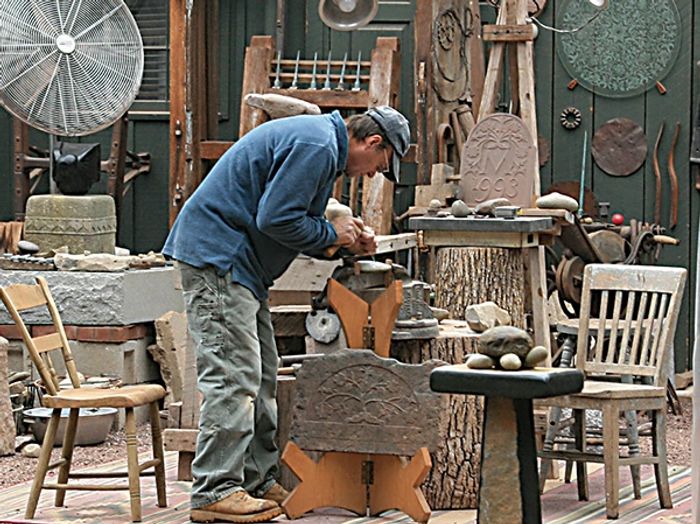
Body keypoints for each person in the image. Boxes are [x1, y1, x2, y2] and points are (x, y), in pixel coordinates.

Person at [162, 106, 411, 523]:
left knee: (261, 377)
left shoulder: (320, 147)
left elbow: (289, 220)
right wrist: (333, 233)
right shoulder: (315, 145)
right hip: (219, 259)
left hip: (242, 268)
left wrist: (340, 242)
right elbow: (276, 218)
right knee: (233, 376)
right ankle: (214, 489)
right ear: (372, 143)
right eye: (380, 165)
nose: (372, 174)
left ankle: (256, 481)